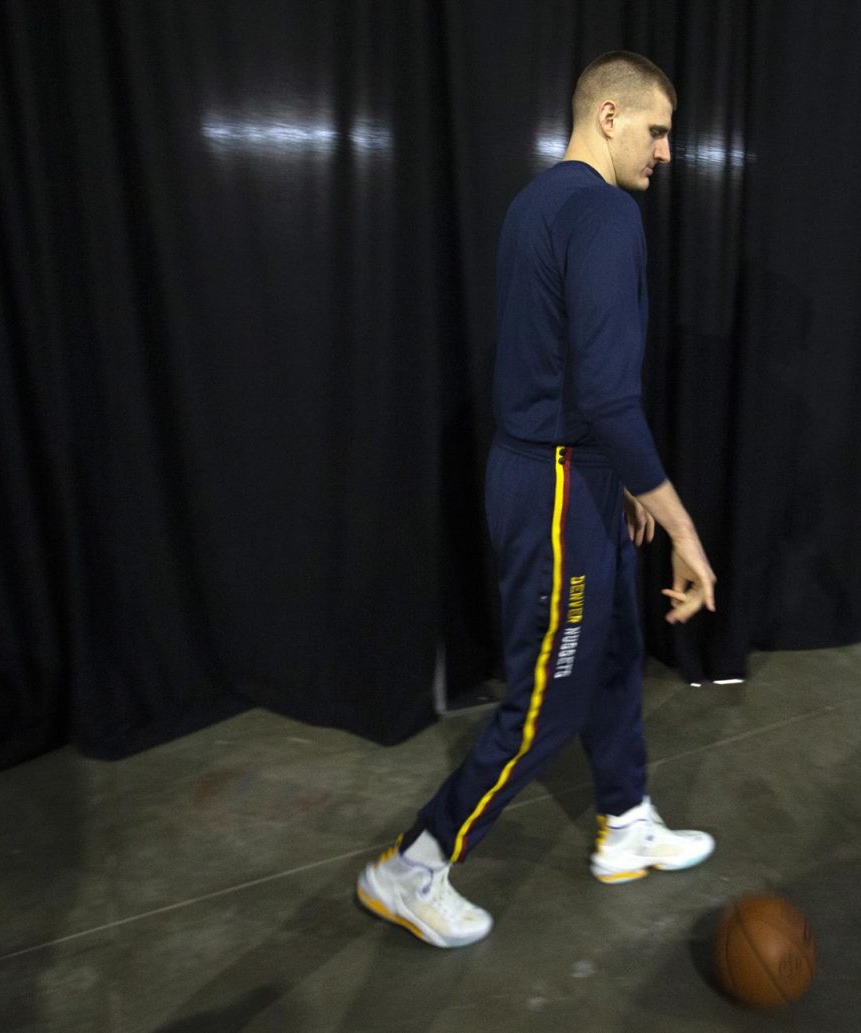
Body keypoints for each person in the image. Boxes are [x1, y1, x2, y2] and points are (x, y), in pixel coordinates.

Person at [355, 51, 718, 949]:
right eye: (658, 129)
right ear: (607, 115)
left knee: (617, 648)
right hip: (556, 482)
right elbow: (603, 393)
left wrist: (620, 479)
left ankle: (626, 819)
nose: (666, 153)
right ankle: (410, 864)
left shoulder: (534, 204)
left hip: (568, 470)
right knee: (545, 701)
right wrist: (683, 528)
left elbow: (562, 372)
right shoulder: (603, 213)